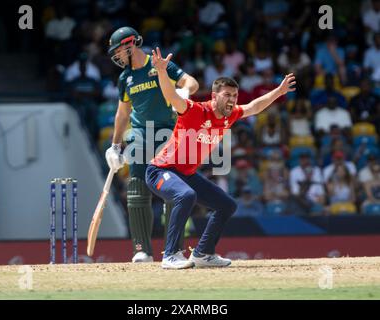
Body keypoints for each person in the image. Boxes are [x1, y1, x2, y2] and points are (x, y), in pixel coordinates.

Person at [145, 47, 295, 269]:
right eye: (227, 95)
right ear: (214, 96)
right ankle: (170, 255)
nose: (232, 100)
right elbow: (171, 96)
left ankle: (203, 253)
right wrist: (161, 72)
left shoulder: (230, 115)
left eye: (234, 96)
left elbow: (254, 107)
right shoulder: (194, 110)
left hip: (186, 174)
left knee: (226, 205)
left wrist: (278, 92)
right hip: (160, 171)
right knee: (186, 196)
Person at [105, 27, 199, 263]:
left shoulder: (156, 64)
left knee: (171, 191)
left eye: (118, 50)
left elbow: (191, 82)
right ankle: (142, 250)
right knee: (137, 190)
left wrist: (184, 91)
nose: (116, 56)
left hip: (168, 133)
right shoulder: (124, 78)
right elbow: (122, 113)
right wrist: (115, 146)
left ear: (130, 45)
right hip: (140, 134)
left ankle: (173, 249)